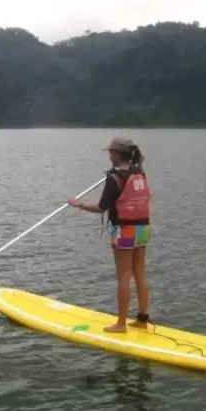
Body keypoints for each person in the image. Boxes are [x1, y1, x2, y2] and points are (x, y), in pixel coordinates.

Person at [68, 137, 151, 333]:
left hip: (124, 230)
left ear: (116, 154)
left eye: (110, 152)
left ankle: (121, 324)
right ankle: (142, 319)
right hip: (143, 228)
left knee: (123, 276)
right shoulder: (139, 172)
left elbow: (100, 208)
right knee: (139, 273)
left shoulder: (114, 178)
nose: (109, 156)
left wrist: (78, 204)